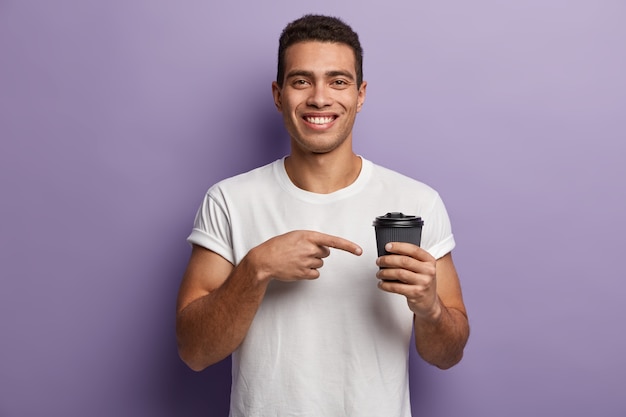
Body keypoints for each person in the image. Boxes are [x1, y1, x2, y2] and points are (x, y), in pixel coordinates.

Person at [176, 14, 469, 416]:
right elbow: (194, 352)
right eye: (301, 81)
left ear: (360, 94)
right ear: (279, 95)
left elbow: (447, 354)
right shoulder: (229, 200)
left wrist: (430, 307)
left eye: (338, 81)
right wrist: (255, 268)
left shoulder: (417, 202)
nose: (319, 98)